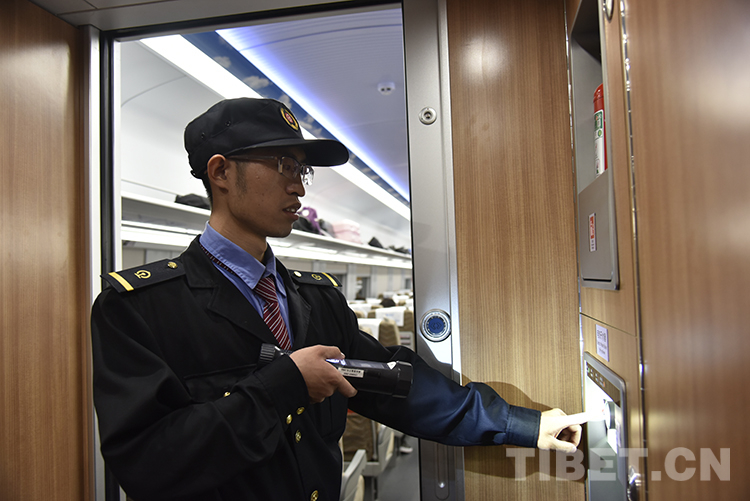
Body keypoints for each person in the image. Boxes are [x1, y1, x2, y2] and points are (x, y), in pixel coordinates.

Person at [91, 98, 587, 501]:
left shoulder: (316, 299)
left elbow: (393, 387)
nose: (298, 187)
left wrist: (523, 424)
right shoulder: (138, 308)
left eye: (302, 170)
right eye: (283, 165)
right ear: (220, 172)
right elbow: (148, 464)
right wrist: (285, 385)